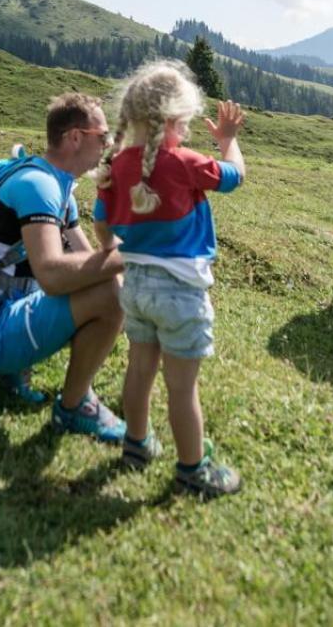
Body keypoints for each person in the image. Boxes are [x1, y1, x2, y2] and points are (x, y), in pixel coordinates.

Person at [93, 60, 246, 497]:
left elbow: (101, 220)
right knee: (182, 387)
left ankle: (137, 445)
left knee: (139, 369)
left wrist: (109, 249)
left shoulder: (115, 165)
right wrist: (228, 141)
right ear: (179, 119)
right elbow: (235, 176)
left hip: (135, 287)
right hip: (179, 292)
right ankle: (193, 471)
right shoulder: (184, 161)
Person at [0, 91, 129, 441]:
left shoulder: (59, 188)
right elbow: (53, 275)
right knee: (111, 295)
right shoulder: (39, 186)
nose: (107, 145)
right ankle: (73, 408)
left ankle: (15, 373)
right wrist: (135, 255)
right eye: (102, 137)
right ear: (75, 137)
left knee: (111, 290)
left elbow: (88, 260)